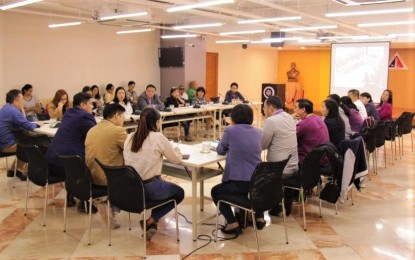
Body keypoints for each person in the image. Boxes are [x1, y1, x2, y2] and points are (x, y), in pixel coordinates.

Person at [123, 107, 184, 241]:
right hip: (150, 189)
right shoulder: (157, 137)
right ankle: (151, 220)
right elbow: (176, 159)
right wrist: (178, 150)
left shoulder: (130, 136)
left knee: (165, 188)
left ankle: (152, 223)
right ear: (157, 122)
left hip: (131, 189)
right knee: (179, 193)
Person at [211, 104, 262, 234]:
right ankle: (257, 216)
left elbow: (220, 150)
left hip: (239, 183)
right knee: (239, 190)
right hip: (257, 181)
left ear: (233, 118)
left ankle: (232, 222)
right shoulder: (257, 131)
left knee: (216, 192)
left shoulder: (230, 130)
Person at [46, 92, 96, 211]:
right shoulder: (85, 116)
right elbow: (95, 136)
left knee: (77, 157)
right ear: (83, 105)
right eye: (90, 104)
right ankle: (85, 202)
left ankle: (71, 195)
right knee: (93, 163)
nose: (92, 107)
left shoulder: (68, 113)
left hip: (53, 160)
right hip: (67, 165)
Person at [85, 103, 128, 229]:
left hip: (91, 176)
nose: (124, 119)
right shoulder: (117, 131)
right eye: (123, 116)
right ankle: (112, 206)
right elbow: (132, 150)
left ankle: (104, 203)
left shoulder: (92, 130)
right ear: (116, 115)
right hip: (109, 178)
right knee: (141, 174)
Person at [261, 96, 298, 216]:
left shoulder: (271, 121)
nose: (263, 110)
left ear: (271, 108)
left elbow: (262, 145)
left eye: (264, 107)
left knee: (253, 174)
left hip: (279, 169)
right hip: (293, 166)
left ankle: (262, 211)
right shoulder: (289, 116)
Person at [0, 89, 44, 181]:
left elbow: (23, 122)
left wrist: (22, 111)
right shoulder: (13, 111)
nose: (22, 102)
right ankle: (26, 173)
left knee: (25, 142)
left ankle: (13, 170)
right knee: (35, 146)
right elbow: (28, 125)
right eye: (21, 100)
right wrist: (37, 124)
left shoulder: (5, 109)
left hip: (4, 143)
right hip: (7, 145)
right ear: (15, 101)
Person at [294, 99, 329, 164]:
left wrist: (290, 118)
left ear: (303, 110)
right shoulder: (317, 117)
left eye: (295, 107)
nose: (294, 110)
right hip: (323, 157)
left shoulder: (304, 123)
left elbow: (290, 137)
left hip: (310, 159)